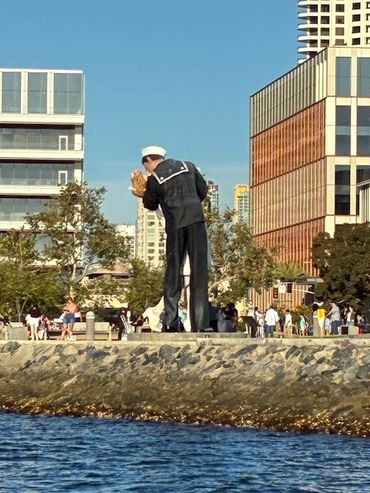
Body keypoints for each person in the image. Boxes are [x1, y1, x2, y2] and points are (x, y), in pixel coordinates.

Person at [141, 145, 209, 332]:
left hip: (175, 225)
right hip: (196, 221)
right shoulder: (188, 166)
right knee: (199, 273)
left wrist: (147, 188)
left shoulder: (154, 178)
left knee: (173, 273)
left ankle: (170, 321)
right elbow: (202, 191)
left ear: (148, 160)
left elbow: (149, 203)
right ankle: (202, 324)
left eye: (145, 165)